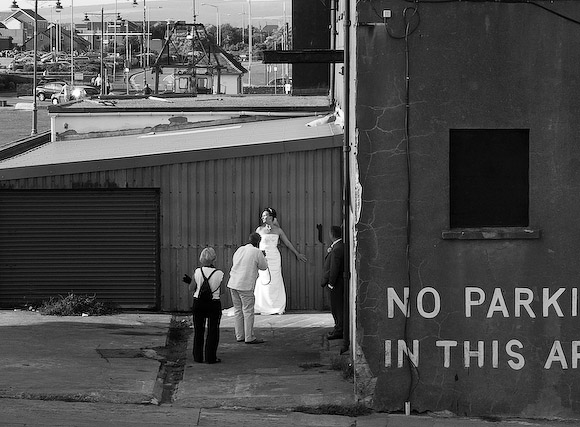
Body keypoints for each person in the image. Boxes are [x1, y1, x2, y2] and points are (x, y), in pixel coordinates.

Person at [254, 207, 307, 315]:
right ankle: (262, 305)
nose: (263, 217)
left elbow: (287, 243)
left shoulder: (278, 230)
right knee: (263, 279)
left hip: (274, 257)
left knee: (275, 279)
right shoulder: (259, 230)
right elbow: (255, 244)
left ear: (271, 217)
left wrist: (297, 253)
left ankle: (276, 305)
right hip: (263, 256)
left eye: (265, 215)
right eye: (262, 215)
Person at [183, 247, 224, 364]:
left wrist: (192, 282)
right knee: (213, 330)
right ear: (214, 258)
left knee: (199, 330)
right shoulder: (220, 273)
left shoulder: (197, 272)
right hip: (214, 303)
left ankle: (198, 356)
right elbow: (223, 291)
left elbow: (192, 288)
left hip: (198, 303)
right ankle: (211, 357)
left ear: (201, 259)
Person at [227, 232, 268, 344]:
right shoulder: (257, 252)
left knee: (238, 310)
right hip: (245, 285)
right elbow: (264, 267)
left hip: (233, 283)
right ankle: (249, 337)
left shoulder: (240, 249)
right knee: (248, 311)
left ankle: (239, 335)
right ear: (258, 242)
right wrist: (264, 256)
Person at [321, 225, 344, 340]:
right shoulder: (338, 246)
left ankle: (339, 329)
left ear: (332, 235)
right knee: (336, 306)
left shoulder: (337, 248)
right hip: (337, 283)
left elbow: (334, 267)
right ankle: (338, 327)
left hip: (336, 284)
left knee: (336, 307)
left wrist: (331, 283)